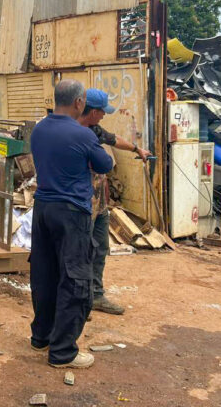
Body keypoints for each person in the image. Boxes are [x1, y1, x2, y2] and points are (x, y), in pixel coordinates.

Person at [29, 79, 114, 370]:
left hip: (42, 210)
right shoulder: (82, 135)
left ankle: (41, 336)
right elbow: (105, 164)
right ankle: (63, 351)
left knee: (44, 274)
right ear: (79, 103)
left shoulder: (39, 129)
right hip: (71, 213)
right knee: (76, 278)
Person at [78, 88, 152, 316]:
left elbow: (113, 139)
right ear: (91, 111)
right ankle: (77, 302)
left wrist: (136, 149)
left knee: (100, 248)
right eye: (102, 112)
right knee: (79, 252)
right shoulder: (72, 132)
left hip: (99, 203)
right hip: (79, 204)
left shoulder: (94, 129)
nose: (104, 115)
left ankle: (96, 296)